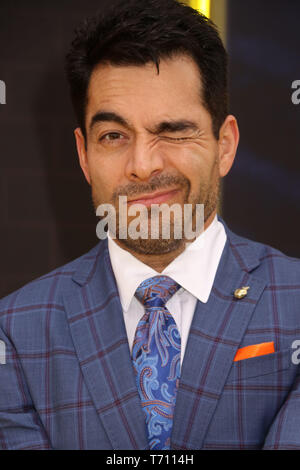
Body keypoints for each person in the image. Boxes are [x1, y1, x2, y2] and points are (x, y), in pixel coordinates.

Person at [0, 0, 299, 450]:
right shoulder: (16, 332)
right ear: (84, 155)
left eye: (174, 131)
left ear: (225, 145)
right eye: (114, 136)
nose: (142, 165)